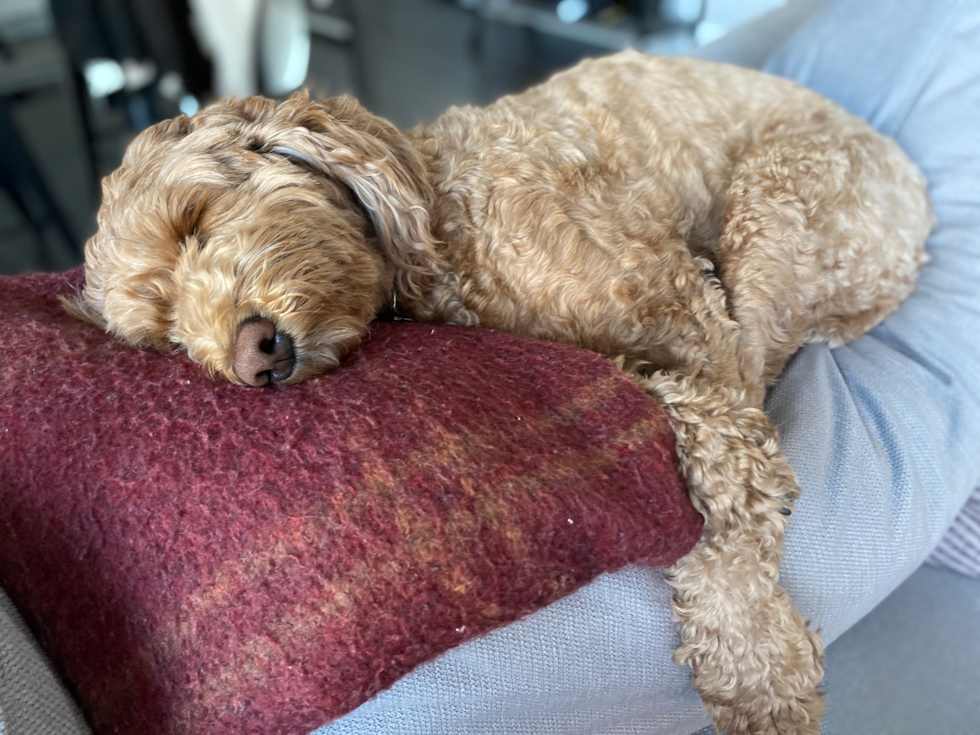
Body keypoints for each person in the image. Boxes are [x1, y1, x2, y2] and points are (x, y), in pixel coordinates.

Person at [317, 1, 980, 732]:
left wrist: (728, 571)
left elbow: (697, 353)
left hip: (835, 172)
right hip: (692, 160)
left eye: (202, 225)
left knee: (726, 327)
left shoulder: (518, 240)